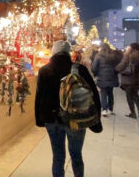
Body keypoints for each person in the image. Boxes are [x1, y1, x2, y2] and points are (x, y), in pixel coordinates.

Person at [35, 40, 101, 177]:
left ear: (53, 53)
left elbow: (39, 97)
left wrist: (39, 119)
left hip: (52, 119)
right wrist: (96, 120)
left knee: (58, 156)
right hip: (76, 119)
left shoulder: (44, 70)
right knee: (76, 155)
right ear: (67, 53)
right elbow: (93, 94)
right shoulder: (80, 69)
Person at [91, 44, 122, 116]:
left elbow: (93, 68)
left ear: (101, 48)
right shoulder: (113, 56)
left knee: (103, 94)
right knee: (110, 93)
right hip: (112, 78)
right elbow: (118, 67)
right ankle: (110, 109)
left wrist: (96, 74)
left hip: (102, 78)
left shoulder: (98, 56)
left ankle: (104, 109)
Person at [115, 43, 139, 119]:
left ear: (132, 48)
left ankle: (133, 113)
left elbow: (123, 65)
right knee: (135, 96)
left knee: (129, 97)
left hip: (129, 79)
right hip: (137, 80)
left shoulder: (129, 55)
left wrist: (116, 69)